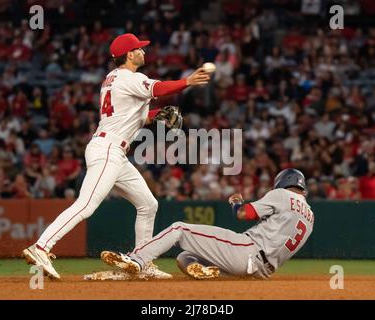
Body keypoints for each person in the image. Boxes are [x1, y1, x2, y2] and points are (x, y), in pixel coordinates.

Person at [23, 33, 211, 280]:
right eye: (139, 49)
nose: (144, 52)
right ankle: (41, 247)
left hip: (116, 152)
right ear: (129, 54)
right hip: (108, 149)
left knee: (148, 204)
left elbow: (129, 114)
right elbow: (159, 88)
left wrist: (154, 115)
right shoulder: (128, 77)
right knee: (86, 204)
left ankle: (142, 262)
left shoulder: (113, 79)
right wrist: (187, 81)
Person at [100, 168, 314, 280]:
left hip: (247, 251)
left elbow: (242, 214)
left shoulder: (282, 195)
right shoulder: (310, 217)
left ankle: (137, 260)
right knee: (185, 257)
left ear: (283, 183)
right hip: (262, 270)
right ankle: (205, 270)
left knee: (179, 229)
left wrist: (235, 202)